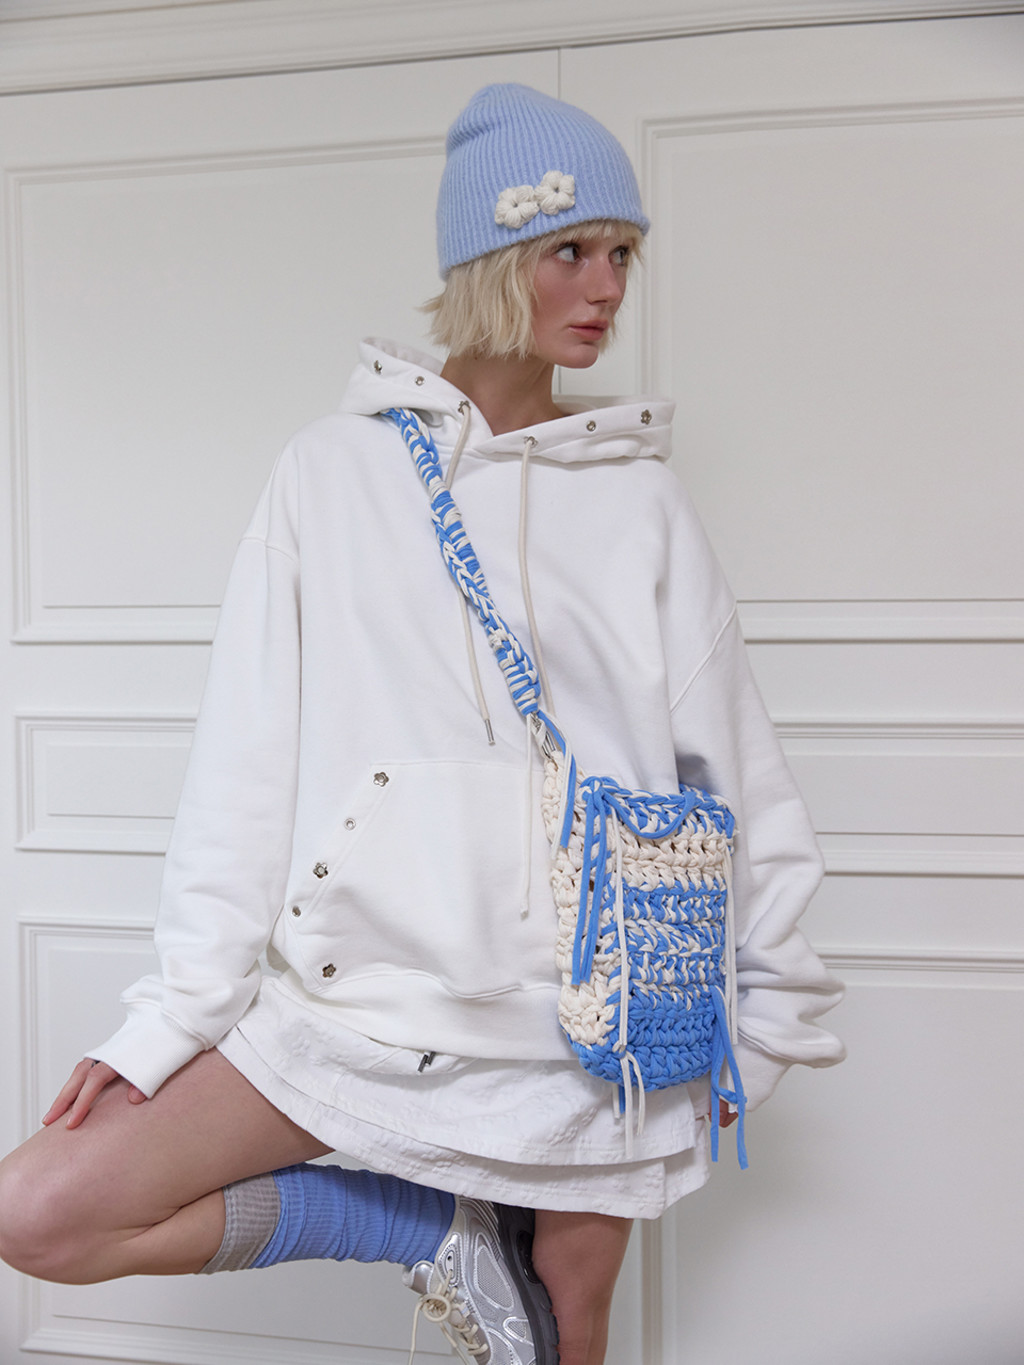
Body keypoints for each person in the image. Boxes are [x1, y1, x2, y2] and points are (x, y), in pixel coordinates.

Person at [0, 84, 844, 1365]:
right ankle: (429, 1234)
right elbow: (243, 767)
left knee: (561, 1338)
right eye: (572, 249)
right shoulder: (330, 474)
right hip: (359, 1010)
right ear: (490, 259)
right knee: (42, 1211)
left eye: (622, 254)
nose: (606, 287)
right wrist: (172, 1018)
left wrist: (767, 1020)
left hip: (589, 1036)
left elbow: (730, 772)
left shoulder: (640, 503)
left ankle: (481, 1246)